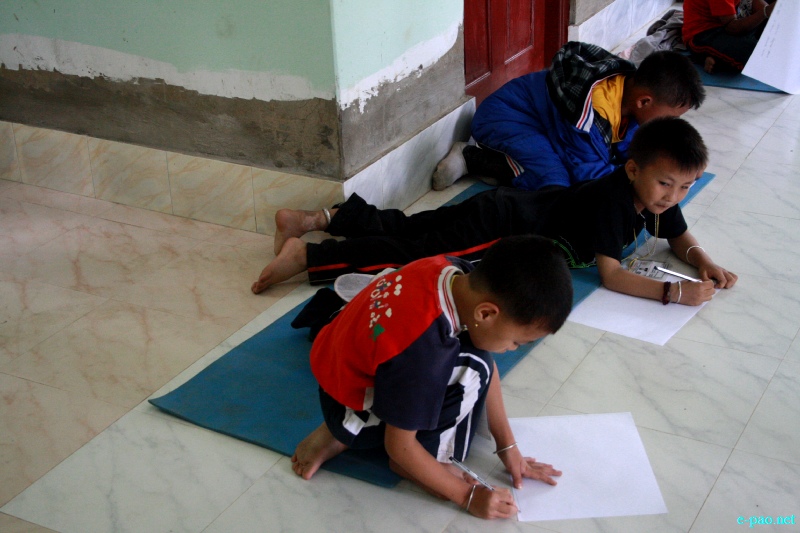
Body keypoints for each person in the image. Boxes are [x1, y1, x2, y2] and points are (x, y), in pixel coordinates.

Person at [252, 117, 738, 306]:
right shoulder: (615, 201)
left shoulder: (656, 199)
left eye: (685, 187)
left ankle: (317, 219)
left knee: (417, 226)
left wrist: (703, 261)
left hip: (506, 207)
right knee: (416, 254)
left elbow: (678, 234)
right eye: (665, 183)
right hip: (505, 227)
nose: (672, 196)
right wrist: (673, 292)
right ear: (632, 169)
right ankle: (309, 258)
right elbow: (611, 276)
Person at [291, 235, 570, 520]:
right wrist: (466, 496)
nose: (512, 349)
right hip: (355, 402)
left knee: (475, 352)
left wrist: (508, 448)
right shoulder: (424, 350)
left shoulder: (450, 271)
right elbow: (399, 447)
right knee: (475, 366)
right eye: (516, 342)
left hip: (340, 376)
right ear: (486, 313)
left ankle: (340, 429)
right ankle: (391, 445)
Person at [432, 41, 705, 192]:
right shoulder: (588, 116)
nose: (670, 125)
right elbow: (590, 177)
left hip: (544, 124)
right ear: (644, 102)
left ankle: (507, 168)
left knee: (570, 164)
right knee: (556, 185)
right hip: (507, 117)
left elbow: (633, 150)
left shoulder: (630, 96)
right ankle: (471, 158)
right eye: (670, 117)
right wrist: (645, 179)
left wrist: (676, 165)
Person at [682, 0, 777, 73]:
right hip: (703, 34)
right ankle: (705, 58)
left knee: (772, 31)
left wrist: (772, 14)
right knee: (754, 53)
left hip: (726, 22)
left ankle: (720, 56)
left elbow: (753, 2)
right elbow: (731, 27)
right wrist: (765, 12)